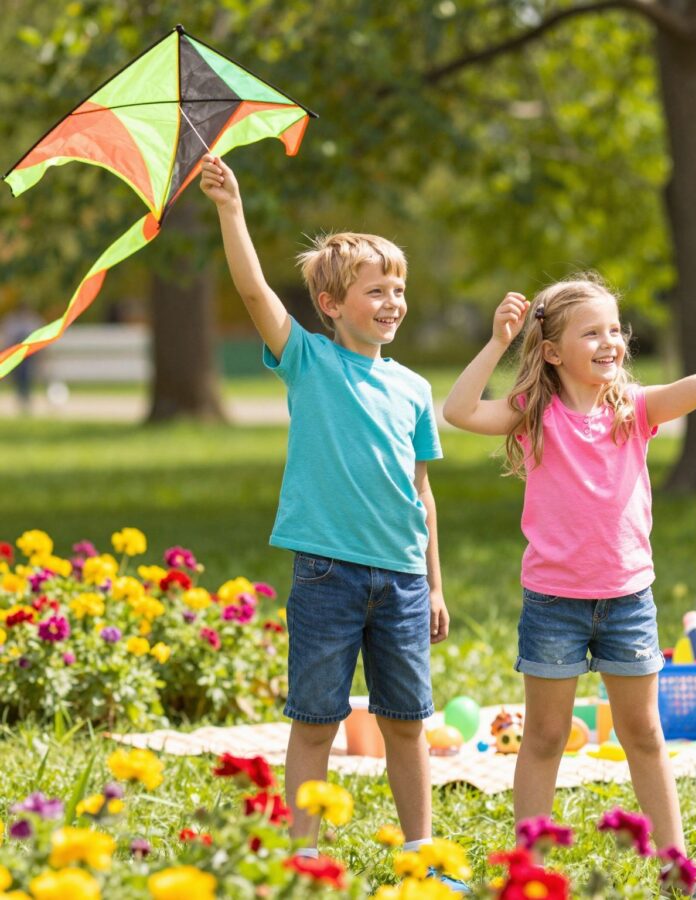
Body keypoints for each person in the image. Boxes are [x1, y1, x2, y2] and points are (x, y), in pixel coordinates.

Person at [443, 273, 696, 898]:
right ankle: (528, 869)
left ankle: (678, 870)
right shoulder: (533, 413)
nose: (610, 341)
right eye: (591, 332)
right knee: (544, 737)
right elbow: (458, 411)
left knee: (643, 734)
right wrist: (498, 342)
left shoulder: (634, 410)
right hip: (553, 603)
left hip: (627, 601)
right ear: (552, 351)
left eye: (615, 329)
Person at [199, 155, 466, 893]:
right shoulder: (308, 361)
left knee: (406, 721)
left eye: (399, 289)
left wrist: (435, 584)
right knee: (316, 720)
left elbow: (423, 494)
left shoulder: (413, 388)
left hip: (403, 580)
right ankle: (303, 860)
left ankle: (421, 853)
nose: (392, 301)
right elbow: (252, 291)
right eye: (376, 290)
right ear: (330, 303)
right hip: (326, 573)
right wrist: (231, 209)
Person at [1, 303, 44, 414]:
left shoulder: (32, 320)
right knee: (19, 377)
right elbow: (7, 339)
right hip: (16, 355)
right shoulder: (12, 321)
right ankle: (21, 397)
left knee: (26, 377)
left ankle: (25, 398)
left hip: (29, 355)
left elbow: (39, 338)